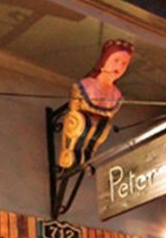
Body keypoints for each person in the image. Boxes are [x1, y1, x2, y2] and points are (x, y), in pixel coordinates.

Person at [56, 39, 134, 173]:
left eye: (124, 63)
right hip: (76, 130)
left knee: (102, 128)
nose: (119, 67)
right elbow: (75, 111)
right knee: (81, 123)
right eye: (116, 60)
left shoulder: (117, 95)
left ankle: (87, 157)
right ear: (104, 60)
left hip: (92, 138)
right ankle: (71, 156)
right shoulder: (84, 86)